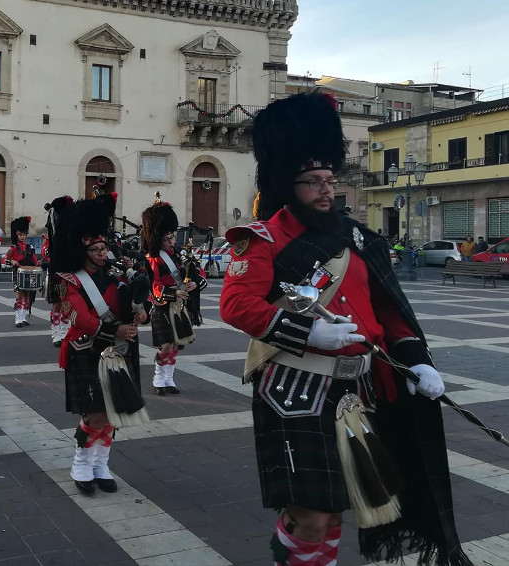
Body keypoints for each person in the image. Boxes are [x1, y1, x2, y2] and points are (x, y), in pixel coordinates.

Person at [219, 93, 469, 566]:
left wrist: (417, 362)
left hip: (358, 388)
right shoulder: (263, 240)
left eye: (329, 180)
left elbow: (390, 312)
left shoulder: (358, 240)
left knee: (335, 510)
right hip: (294, 386)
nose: (326, 190)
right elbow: (235, 304)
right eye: (313, 182)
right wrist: (307, 334)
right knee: (312, 514)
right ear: (286, 184)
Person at [54, 197, 149, 496]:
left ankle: (101, 464)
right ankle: (81, 462)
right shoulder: (68, 280)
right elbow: (80, 317)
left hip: (119, 349)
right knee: (95, 414)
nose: (102, 253)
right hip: (87, 350)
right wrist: (115, 328)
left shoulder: (116, 275)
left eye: (103, 247)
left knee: (115, 413)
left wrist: (141, 311)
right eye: (95, 249)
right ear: (82, 250)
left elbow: (130, 305)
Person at [141, 197, 207, 396]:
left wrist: (195, 284)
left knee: (176, 343)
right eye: (167, 239)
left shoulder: (181, 253)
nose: (171, 242)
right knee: (165, 343)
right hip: (163, 305)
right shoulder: (152, 258)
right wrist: (173, 292)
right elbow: (153, 285)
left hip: (182, 304)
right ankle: (159, 378)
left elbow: (199, 272)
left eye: (172, 237)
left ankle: (169, 379)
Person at [44, 196, 74, 345]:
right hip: (56, 267)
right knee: (56, 303)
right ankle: (56, 332)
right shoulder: (54, 225)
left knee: (68, 303)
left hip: (69, 267)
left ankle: (64, 330)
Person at [5, 216, 39, 328]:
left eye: (24, 234)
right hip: (17, 275)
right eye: (20, 234)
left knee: (27, 296)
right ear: (17, 235)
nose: (23, 236)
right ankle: (18, 319)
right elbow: (4, 259)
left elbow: (34, 261)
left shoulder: (30, 247)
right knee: (19, 297)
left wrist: (38, 263)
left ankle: (23, 317)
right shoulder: (13, 248)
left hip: (29, 275)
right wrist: (12, 260)